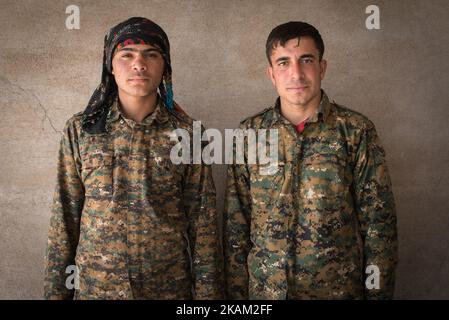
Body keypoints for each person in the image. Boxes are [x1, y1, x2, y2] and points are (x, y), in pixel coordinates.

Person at [44, 17, 223, 300]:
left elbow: (204, 226)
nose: (139, 64)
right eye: (126, 55)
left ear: (164, 66)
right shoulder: (81, 130)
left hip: (168, 290)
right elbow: (64, 220)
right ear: (110, 66)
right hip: (97, 290)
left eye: (151, 55)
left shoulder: (189, 134)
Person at [224, 21, 398, 299]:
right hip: (267, 294)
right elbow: (236, 226)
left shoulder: (355, 131)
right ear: (271, 74)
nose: (296, 73)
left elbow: (379, 226)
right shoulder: (249, 135)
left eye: (306, 60)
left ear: (322, 67)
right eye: (283, 63)